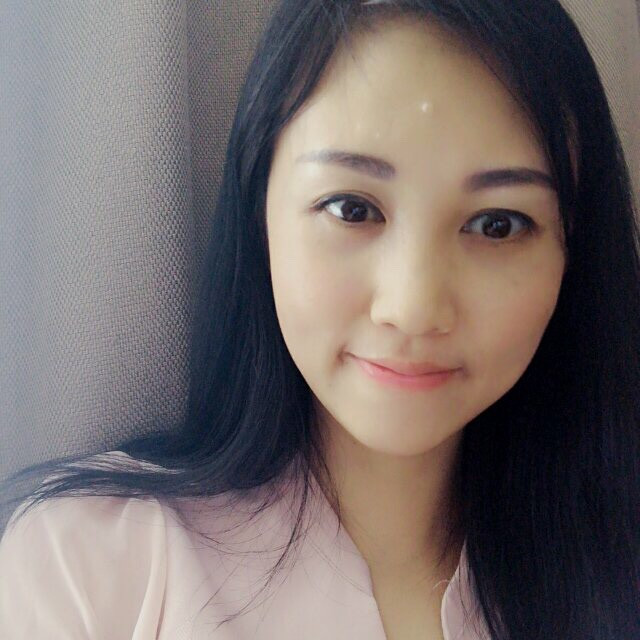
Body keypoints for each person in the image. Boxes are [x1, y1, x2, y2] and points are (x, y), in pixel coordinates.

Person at [1, 1, 638, 638]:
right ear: (261, 214)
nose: (413, 308)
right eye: (352, 209)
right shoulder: (88, 568)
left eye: (497, 224)